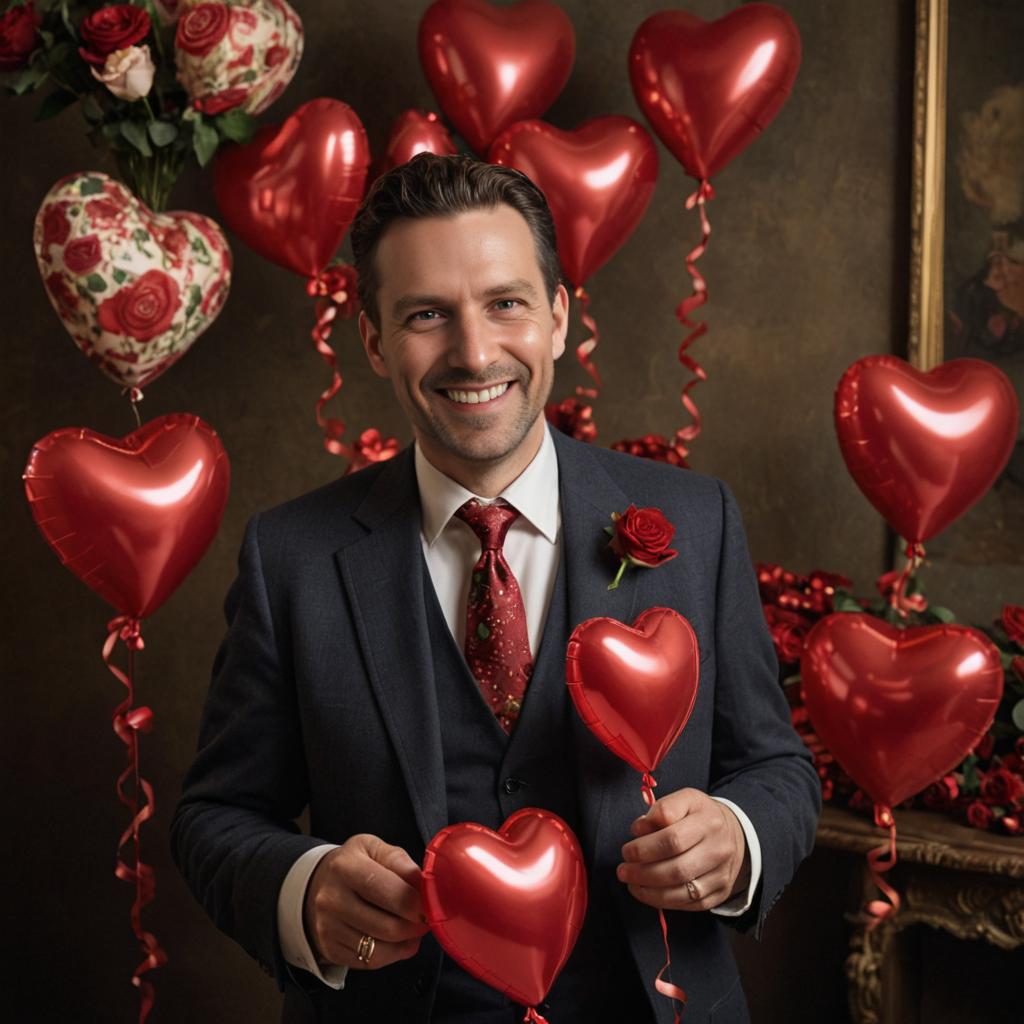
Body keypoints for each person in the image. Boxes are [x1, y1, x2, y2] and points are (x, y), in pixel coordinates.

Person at [171, 153, 821, 1024]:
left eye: (505, 303)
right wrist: (304, 887)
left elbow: (777, 769)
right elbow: (216, 816)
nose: (473, 352)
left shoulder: (697, 522)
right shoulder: (290, 556)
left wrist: (735, 841)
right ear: (373, 341)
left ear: (557, 318)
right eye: (427, 315)